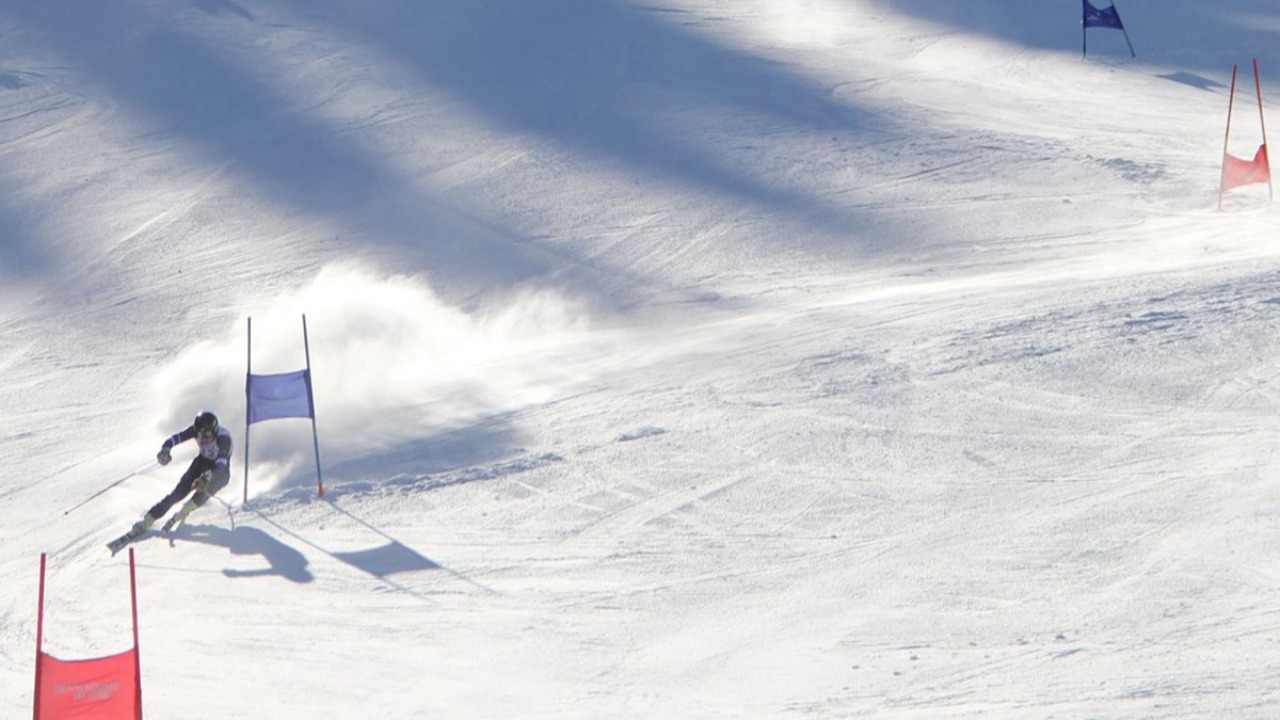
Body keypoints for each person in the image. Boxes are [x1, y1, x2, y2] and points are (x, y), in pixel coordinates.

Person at [129, 411, 233, 535]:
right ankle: (147, 520)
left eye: (207, 436)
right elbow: (174, 439)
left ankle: (186, 509)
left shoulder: (224, 439)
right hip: (201, 462)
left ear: (215, 432)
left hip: (219, 469)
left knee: (208, 487)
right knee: (177, 494)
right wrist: (165, 450)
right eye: (200, 436)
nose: (203, 440)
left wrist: (209, 476)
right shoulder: (197, 431)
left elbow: (221, 465)